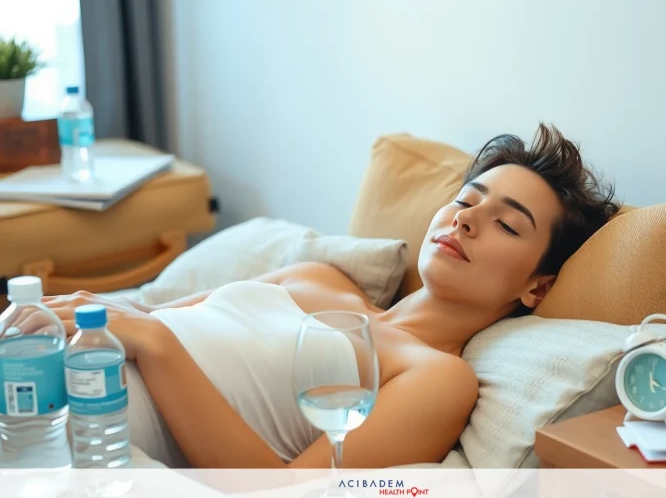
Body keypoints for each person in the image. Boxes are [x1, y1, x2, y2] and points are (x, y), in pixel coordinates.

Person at [36, 123, 619, 470]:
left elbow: (284, 495)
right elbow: (143, 316)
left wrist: (157, 343)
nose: (467, 221)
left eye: (508, 225)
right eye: (467, 200)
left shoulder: (435, 377)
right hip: (38, 368)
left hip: (75, 437)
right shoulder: (318, 277)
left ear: (536, 287)